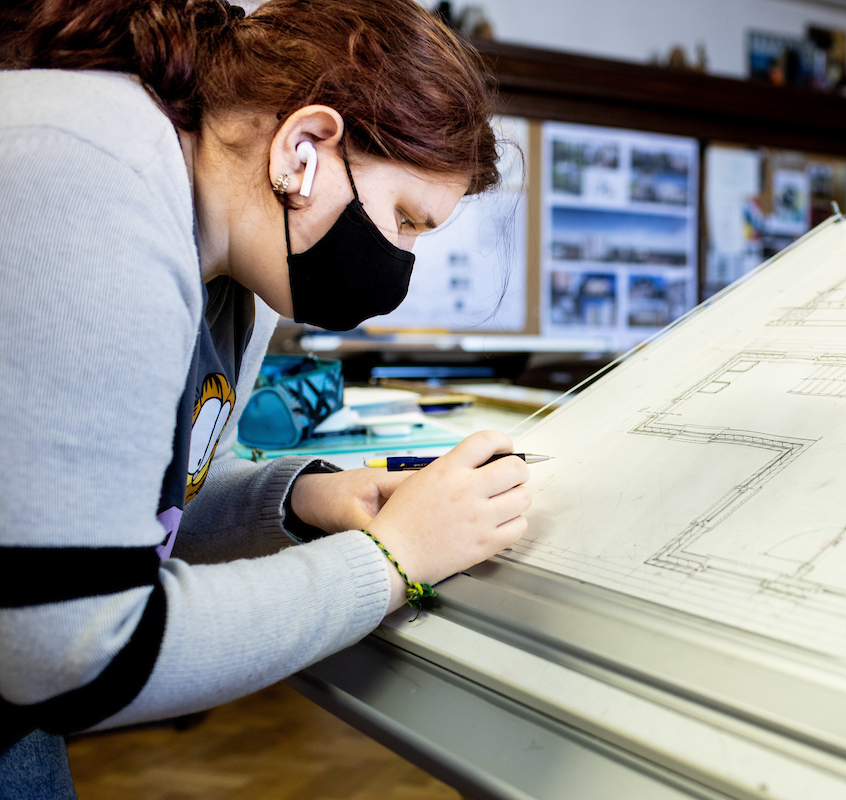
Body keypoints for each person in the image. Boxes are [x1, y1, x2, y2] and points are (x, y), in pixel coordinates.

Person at [0, 0, 532, 795]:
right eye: (404, 219)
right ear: (302, 148)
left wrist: (299, 500)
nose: (402, 263)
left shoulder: (236, 275)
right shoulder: (95, 173)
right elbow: (69, 648)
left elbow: (130, 510)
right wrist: (393, 560)